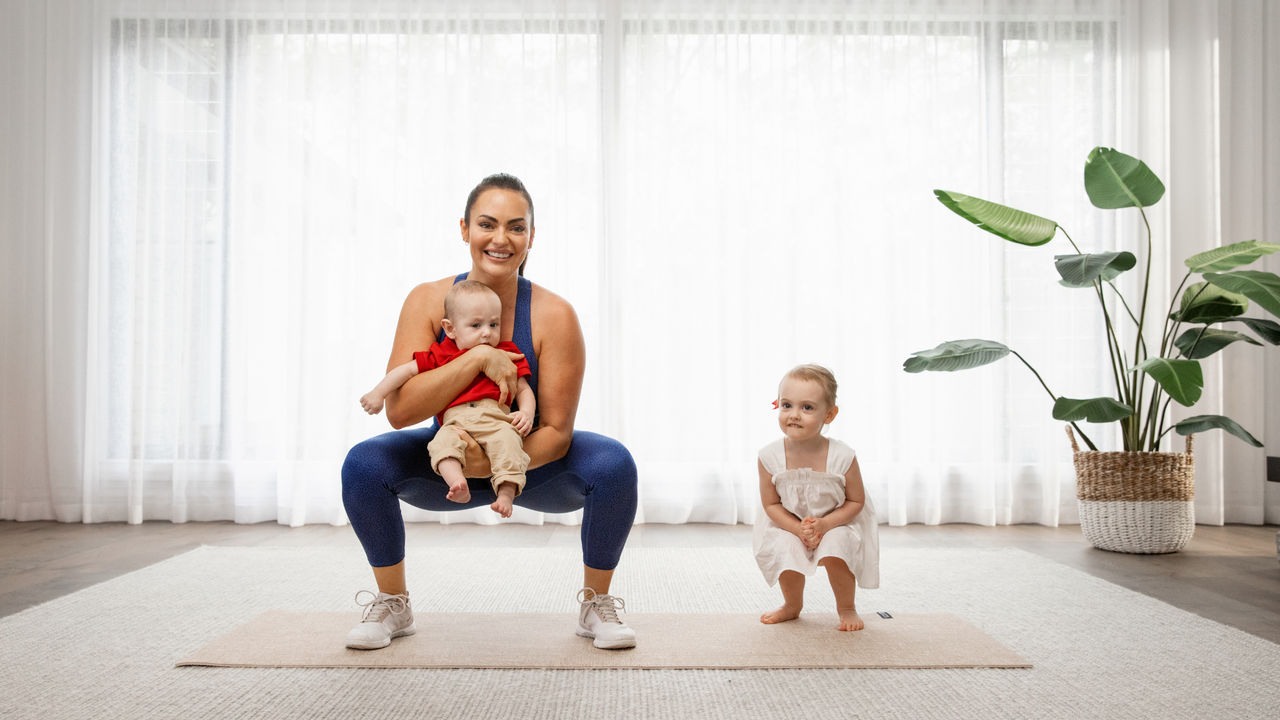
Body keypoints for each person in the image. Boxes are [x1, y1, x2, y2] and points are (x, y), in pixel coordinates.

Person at [341, 173, 638, 651]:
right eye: (487, 224)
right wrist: (477, 358)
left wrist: (497, 467)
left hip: (527, 459)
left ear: (531, 237)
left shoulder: (555, 315)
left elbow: (558, 432)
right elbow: (399, 412)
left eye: (516, 227)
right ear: (464, 229)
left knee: (614, 464)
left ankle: (594, 605)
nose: (501, 239)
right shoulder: (426, 299)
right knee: (362, 464)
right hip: (448, 454)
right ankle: (393, 603)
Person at [359, 280, 535, 518]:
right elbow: (405, 371)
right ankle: (457, 483)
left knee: (510, 444)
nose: (487, 332)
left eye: (494, 324)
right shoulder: (442, 353)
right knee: (441, 444)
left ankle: (505, 494)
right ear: (450, 329)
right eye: (476, 325)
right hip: (455, 423)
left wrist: (526, 413)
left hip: (496, 419)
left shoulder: (506, 352)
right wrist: (378, 394)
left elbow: (523, 389)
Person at [754, 364, 880, 631]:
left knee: (837, 546)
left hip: (836, 522)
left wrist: (824, 525)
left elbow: (856, 502)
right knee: (785, 546)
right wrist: (796, 528)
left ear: (830, 414)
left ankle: (847, 608)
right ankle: (792, 605)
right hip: (789, 522)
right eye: (787, 405)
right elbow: (771, 504)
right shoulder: (768, 457)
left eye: (807, 408)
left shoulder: (843, 457)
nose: (794, 415)